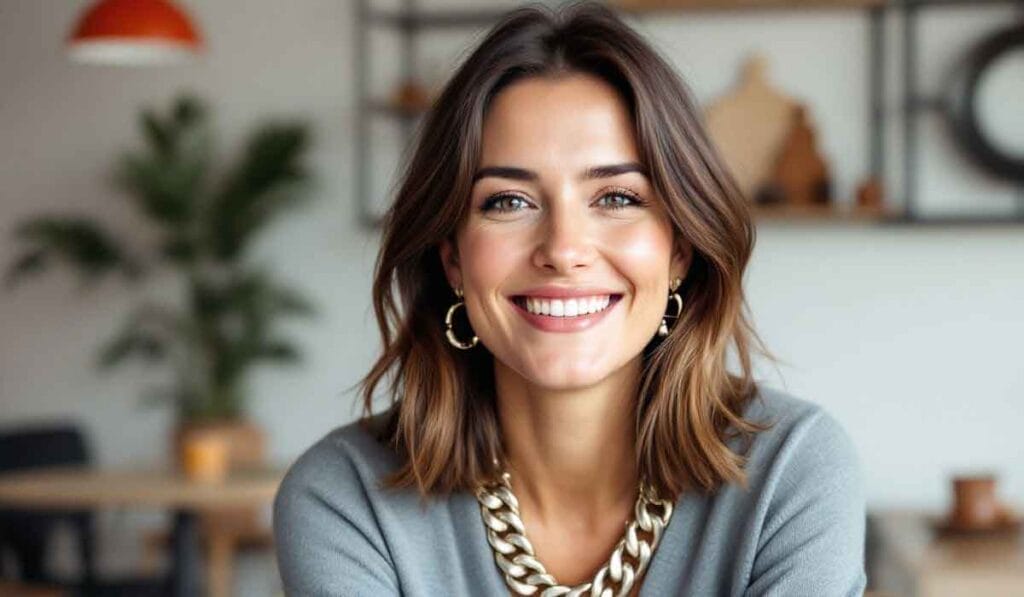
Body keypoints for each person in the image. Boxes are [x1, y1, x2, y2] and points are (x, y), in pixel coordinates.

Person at [273, 2, 867, 596]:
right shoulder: (346, 498)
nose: (563, 249)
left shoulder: (792, 473)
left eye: (616, 198)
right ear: (452, 256)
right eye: (508, 201)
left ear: (680, 249)